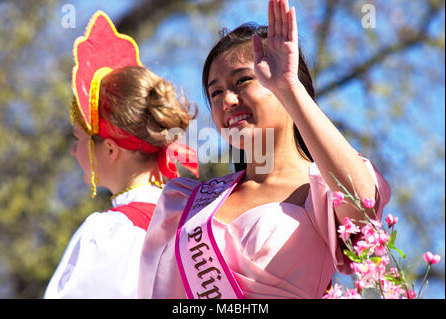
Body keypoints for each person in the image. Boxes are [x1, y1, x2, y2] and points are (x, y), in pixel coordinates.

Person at [138, 0, 390, 299]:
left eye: (242, 81)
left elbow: (363, 203)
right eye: (215, 92)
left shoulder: (321, 191)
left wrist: (288, 87)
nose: (227, 101)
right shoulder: (186, 203)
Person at [44, 11, 198, 298]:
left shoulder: (109, 233)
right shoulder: (198, 218)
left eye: (80, 139)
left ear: (111, 149)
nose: (74, 150)